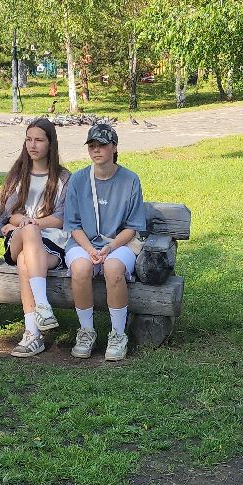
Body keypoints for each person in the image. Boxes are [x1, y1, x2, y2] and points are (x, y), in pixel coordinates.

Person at [61, 121, 146, 361]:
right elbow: (73, 225)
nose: (96, 150)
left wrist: (109, 248)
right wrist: (89, 249)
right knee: (80, 267)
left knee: (113, 268)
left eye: (103, 145)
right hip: (83, 242)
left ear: (115, 147)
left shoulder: (130, 180)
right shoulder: (78, 180)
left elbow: (132, 227)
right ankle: (86, 331)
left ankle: (118, 334)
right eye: (92, 146)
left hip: (119, 243)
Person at [0, 119, 69, 358]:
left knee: (27, 259)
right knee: (27, 234)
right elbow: (9, 214)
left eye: (39, 140)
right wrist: (25, 224)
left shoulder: (63, 178)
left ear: (50, 143)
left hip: (50, 242)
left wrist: (34, 223)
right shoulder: (18, 174)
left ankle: (32, 334)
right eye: (28, 139)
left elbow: (60, 218)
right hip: (18, 238)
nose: (32, 145)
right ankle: (43, 306)